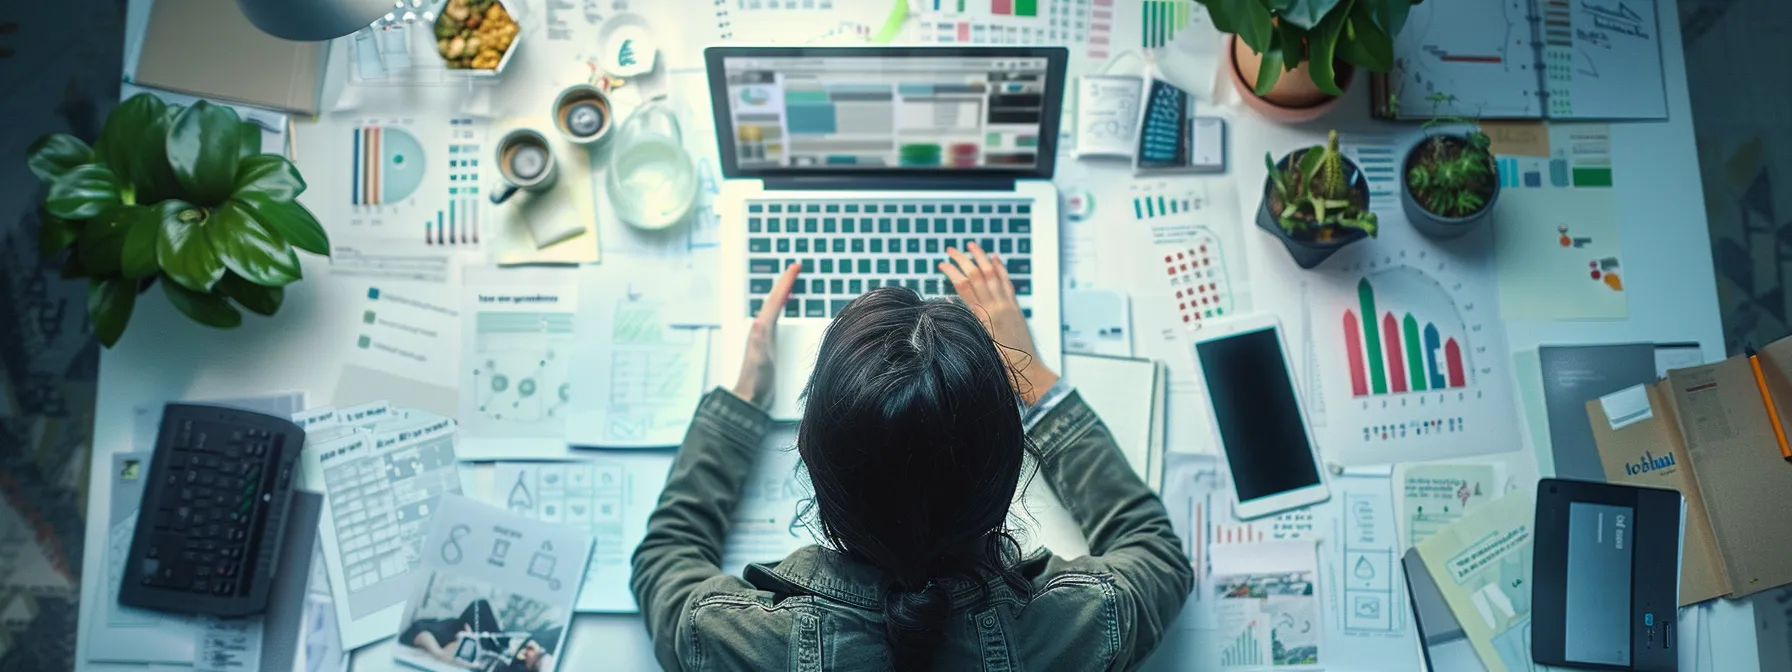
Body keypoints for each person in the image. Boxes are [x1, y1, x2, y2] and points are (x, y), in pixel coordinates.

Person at [632, 243, 1193, 670]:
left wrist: (742, 400)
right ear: (1010, 464)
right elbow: (1158, 555)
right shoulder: (1087, 624)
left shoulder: (732, 638)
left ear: (808, 452)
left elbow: (664, 559)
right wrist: (1034, 378)